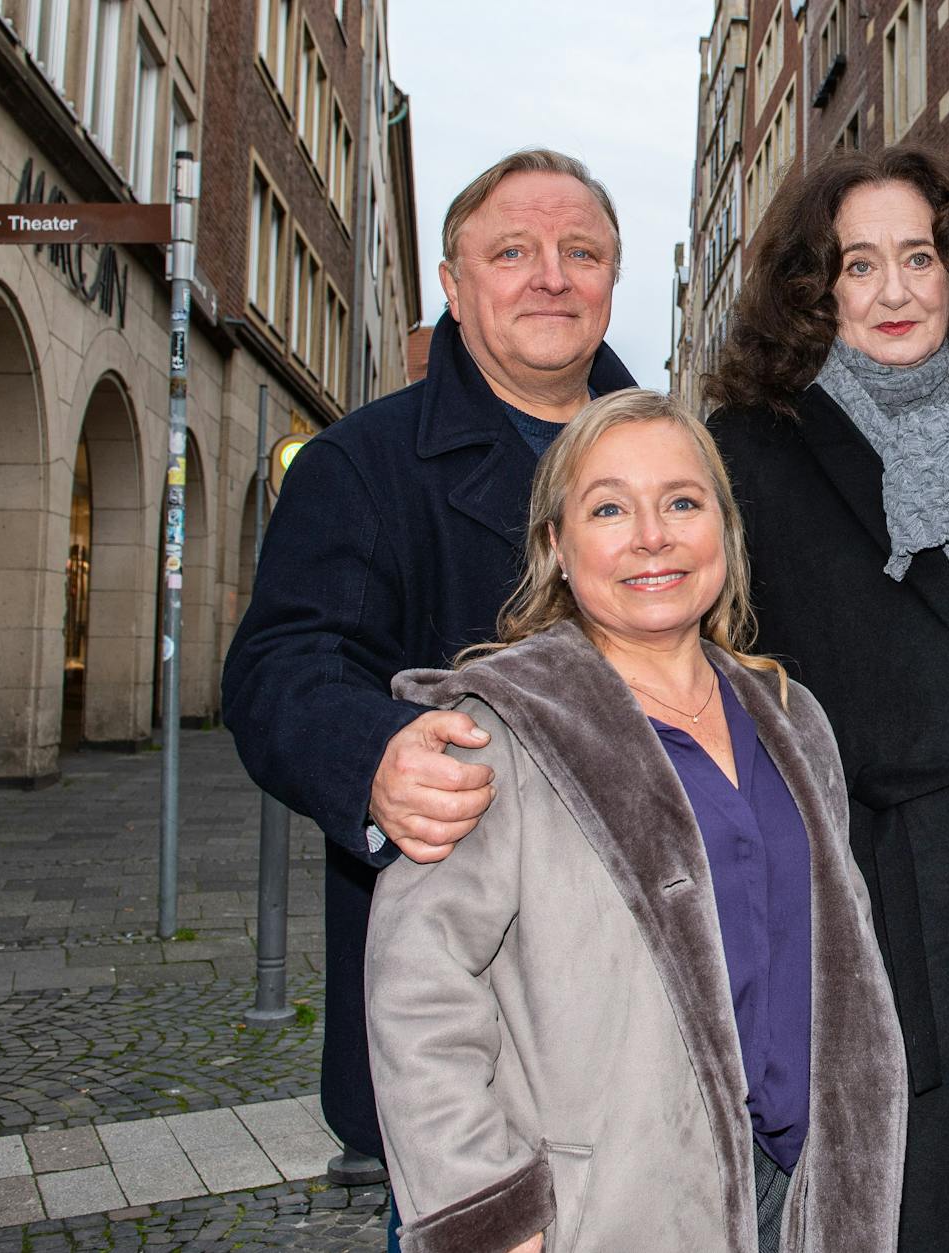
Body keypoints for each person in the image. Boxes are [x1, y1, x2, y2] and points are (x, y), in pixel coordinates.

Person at [365, 391, 906, 1253]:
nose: (652, 536)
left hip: (798, 1194)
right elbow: (416, 986)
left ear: (722, 532)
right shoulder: (502, 731)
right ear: (557, 545)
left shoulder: (793, 718)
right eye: (610, 507)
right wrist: (489, 1212)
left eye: (682, 503)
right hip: (609, 1206)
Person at [221, 149, 636, 1246]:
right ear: (454, 287)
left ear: (609, 281)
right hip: (472, 1031)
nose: (549, 275)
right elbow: (279, 666)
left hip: (652, 1021)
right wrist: (374, 755)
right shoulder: (362, 465)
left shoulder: (672, 462)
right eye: (512, 252)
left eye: (578, 251)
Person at [706, 145, 949, 1252]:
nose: (895, 290)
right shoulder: (753, 449)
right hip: (851, 865)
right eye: (859, 265)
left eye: (919, 255)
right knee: (870, 1161)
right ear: (815, 291)